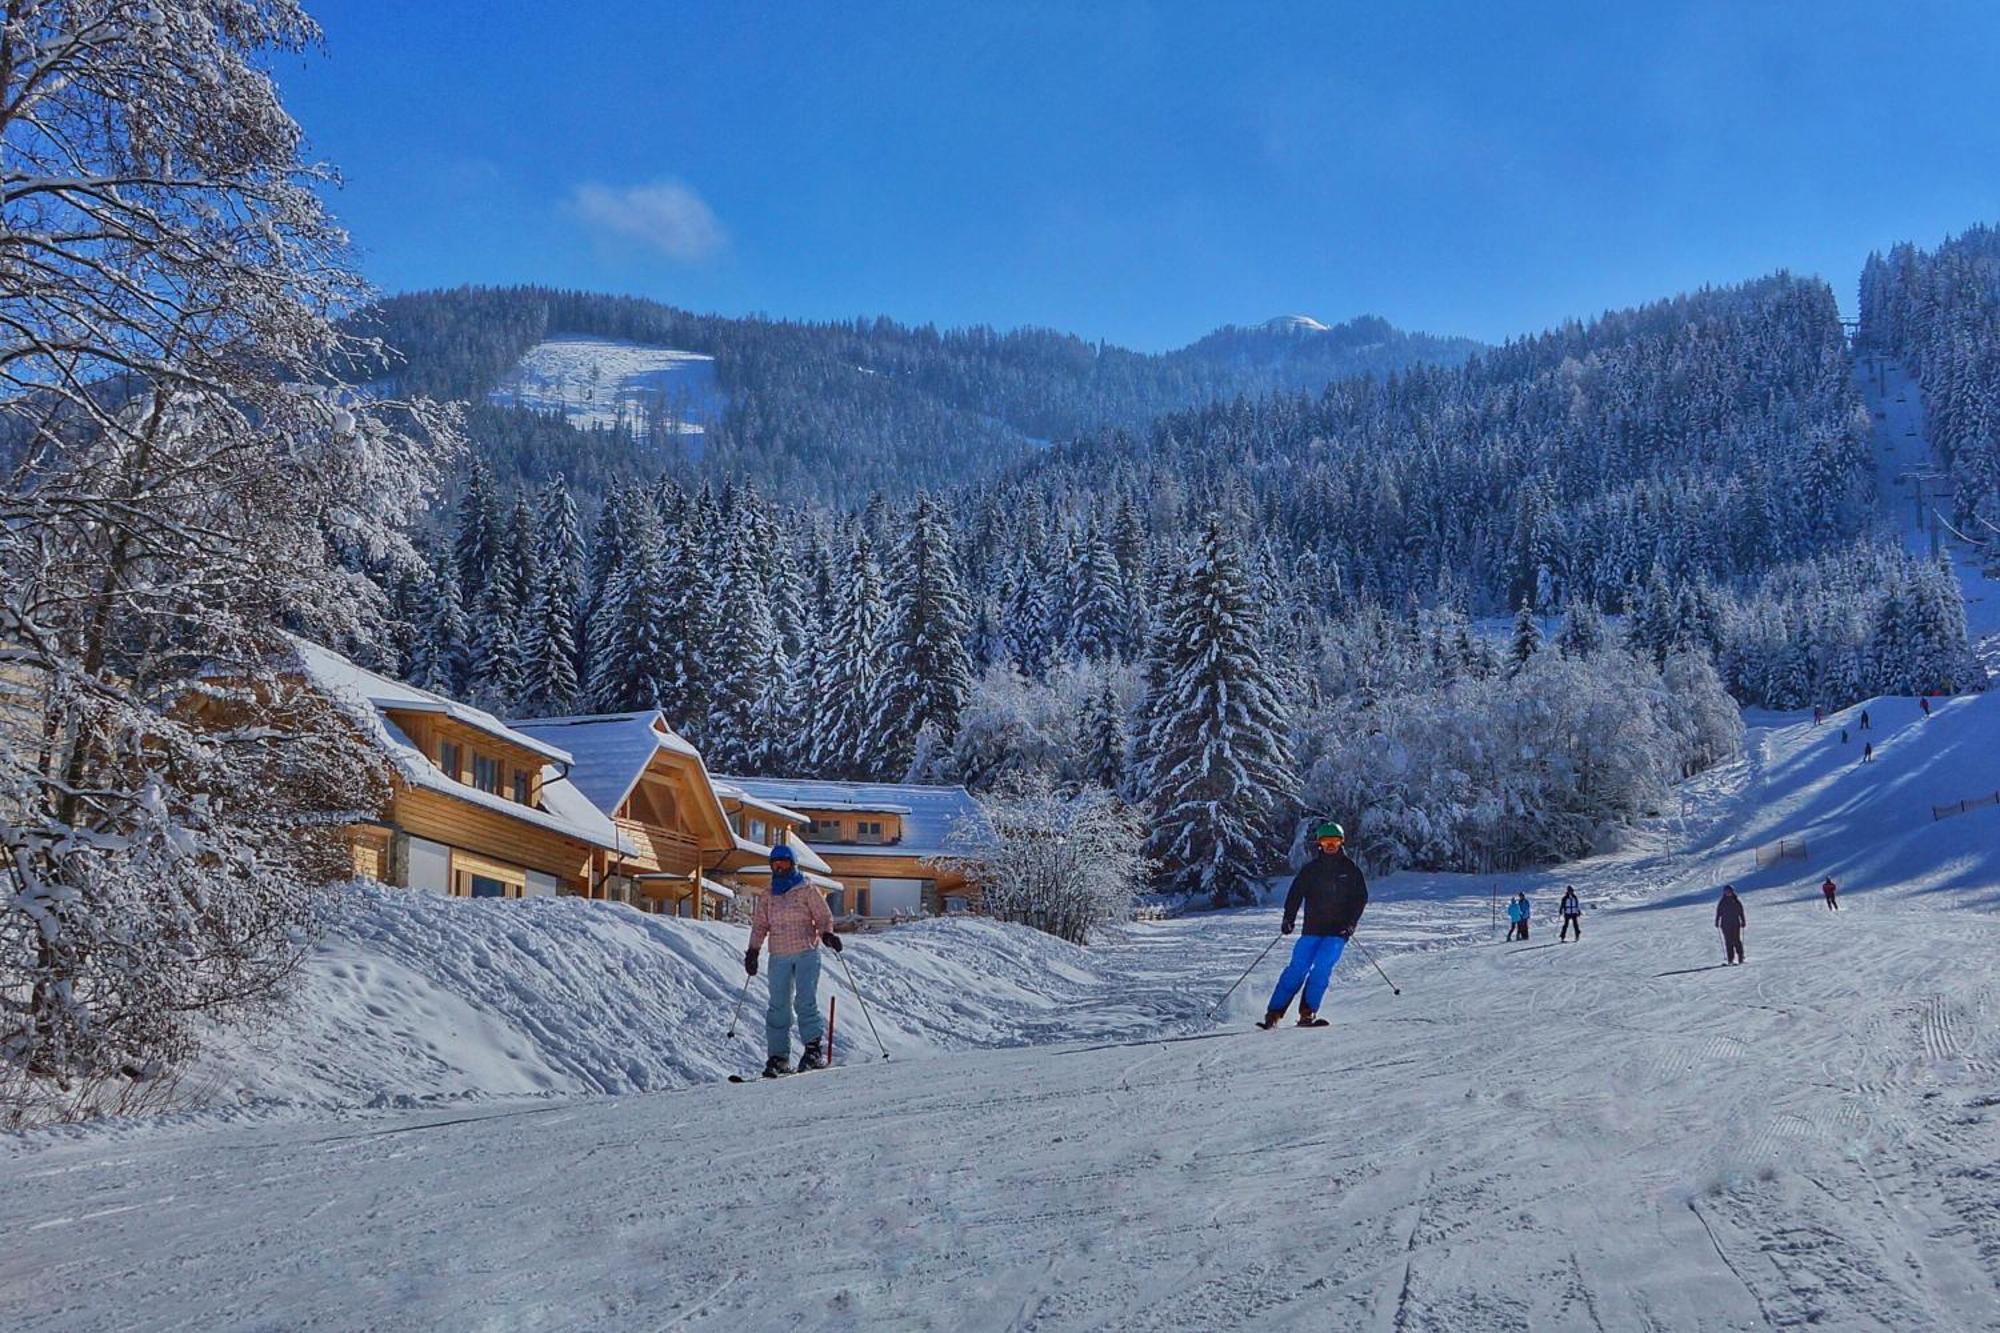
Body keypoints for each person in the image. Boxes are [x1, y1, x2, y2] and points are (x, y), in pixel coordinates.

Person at [1259, 821, 1368, 1028]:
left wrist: (1351, 924)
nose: (1330, 846)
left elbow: (1360, 899)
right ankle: (1273, 1014)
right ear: (1319, 844)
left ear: (1341, 843)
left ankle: (1307, 1013)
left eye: (1334, 842)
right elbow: (1295, 894)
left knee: (1322, 968)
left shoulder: (1350, 870)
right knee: (1297, 968)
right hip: (1312, 929)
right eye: (1326, 841)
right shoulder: (1311, 870)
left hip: (1338, 932)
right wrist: (1288, 918)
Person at [745, 843, 841, 1076]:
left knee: (805, 1001)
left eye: (784, 862)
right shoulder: (769, 895)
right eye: (775, 863)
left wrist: (827, 934)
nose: (779, 867)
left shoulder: (806, 889)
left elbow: (822, 916)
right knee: (778, 1006)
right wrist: (753, 951)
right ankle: (779, 1057)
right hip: (779, 955)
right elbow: (760, 925)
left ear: (793, 864)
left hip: (806, 951)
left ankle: (812, 1051)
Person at [1715, 885, 1747, 965]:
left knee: (1736, 941)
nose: (1728, 893)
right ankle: (1730, 959)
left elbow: (1741, 912)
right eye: (1726, 892)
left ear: (1732, 892)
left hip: (1735, 923)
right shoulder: (1722, 902)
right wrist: (1717, 921)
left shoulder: (1736, 901)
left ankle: (1740, 958)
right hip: (1725, 924)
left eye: (1729, 891)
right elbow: (1719, 912)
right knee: (1728, 942)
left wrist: (1743, 921)